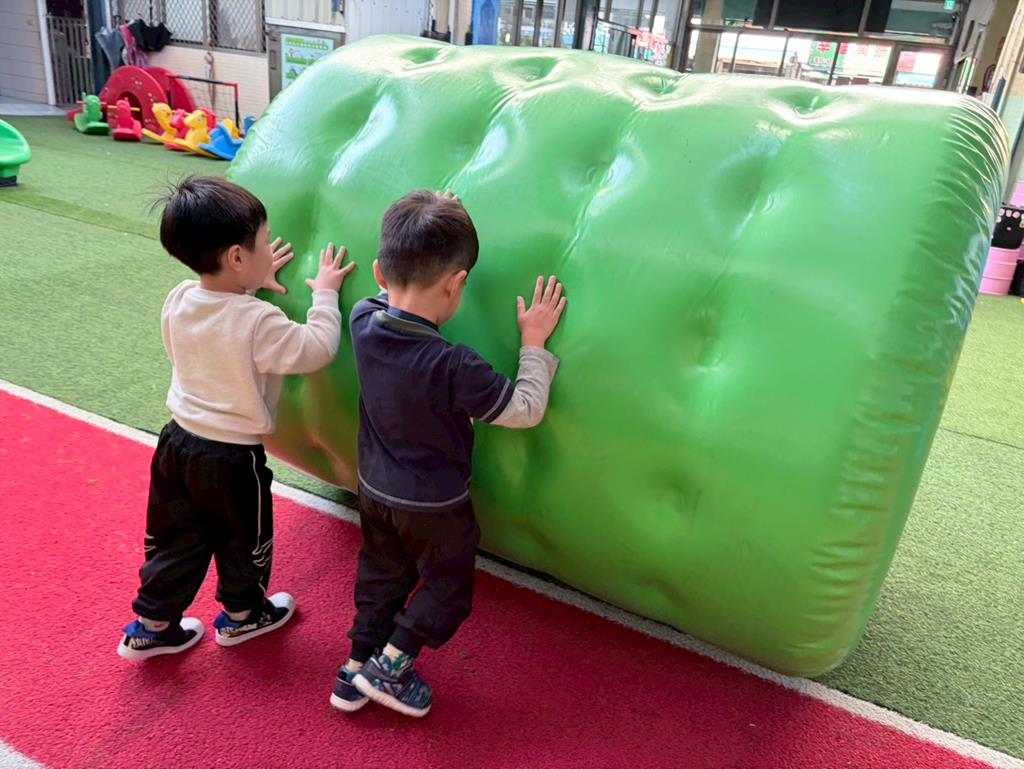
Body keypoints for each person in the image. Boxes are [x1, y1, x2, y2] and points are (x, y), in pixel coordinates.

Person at [331, 189, 566, 717]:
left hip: (375, 490)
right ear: (457, 284)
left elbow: (387, 291)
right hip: (435, 507)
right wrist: (533, 342)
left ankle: (355, 666)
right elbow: (524, 409)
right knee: (448, 586)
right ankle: (392, 665)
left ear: (380, 272)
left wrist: (434, 217)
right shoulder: (455, 366)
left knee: (382, 573)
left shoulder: (364, 321)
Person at [118, 176, 356, 660]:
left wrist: (247, 288)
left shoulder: (180, 298)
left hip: (177, 442)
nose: (271, 249)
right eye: (264, 242)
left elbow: (213, 330)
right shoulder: (259, 321)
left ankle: (152, 625)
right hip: (231, 459)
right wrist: (326, 295)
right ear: (236, 258)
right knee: (242, 538)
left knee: (176, 538)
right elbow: (316, 348)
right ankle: (244, 616)